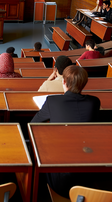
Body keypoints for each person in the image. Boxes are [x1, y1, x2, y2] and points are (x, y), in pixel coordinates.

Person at [31, 65, 101, 198]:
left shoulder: (52, 101)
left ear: (63, 81)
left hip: (60, 181)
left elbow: (33, 124)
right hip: (88, 175)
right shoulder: (94, 102)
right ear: (84, 84)